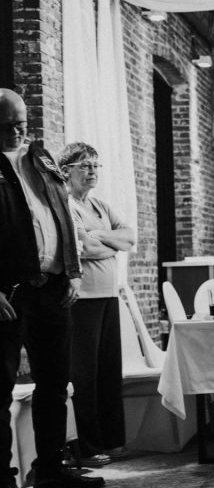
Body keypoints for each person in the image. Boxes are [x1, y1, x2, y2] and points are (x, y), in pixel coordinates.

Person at [1, 89, 104, 488]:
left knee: (55, 382)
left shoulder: (39, 159)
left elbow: (62, 212)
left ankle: (50, 467)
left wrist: (73, 270)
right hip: (9, 291)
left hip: (53, 286)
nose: (16, 131)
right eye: (7, 124)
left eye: (21, 123)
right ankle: (2, 483)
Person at [57, 142, 136, 466]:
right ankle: (87, 448)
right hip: (84, 300)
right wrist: (109, 241)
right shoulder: (66, 204)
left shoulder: (99, 205)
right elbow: (83, 248)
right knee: (85, 376)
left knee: (108, 372)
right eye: (85, 165)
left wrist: (99, 235)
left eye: (95, 165)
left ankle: (112, 440)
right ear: (66, 171)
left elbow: (130, 239)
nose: (92, 171)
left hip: (108, 295)